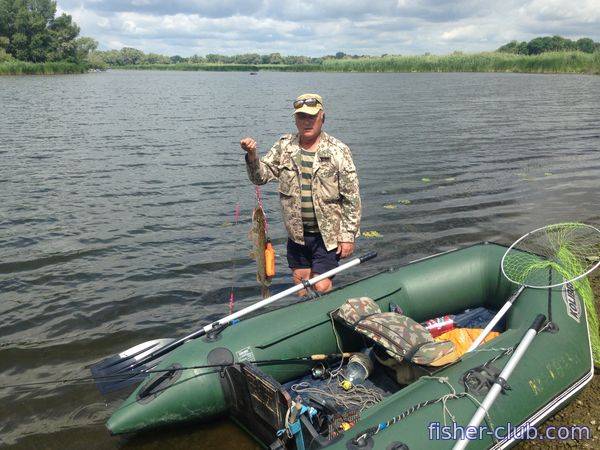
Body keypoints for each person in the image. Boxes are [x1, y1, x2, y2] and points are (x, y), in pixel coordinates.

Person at [240, 93, 361, 295]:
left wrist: (348, 236)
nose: (307, 122)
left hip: (328, 236)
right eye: (302, 117)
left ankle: (326, 318)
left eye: (312, 117)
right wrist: (252, 156)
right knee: (301, 286)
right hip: (297, 235)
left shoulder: (339, 150)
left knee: (321, 286)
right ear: (295, 119)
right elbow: (259, 178)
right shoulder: (284, 147)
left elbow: (352, 197)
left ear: (322, 117)